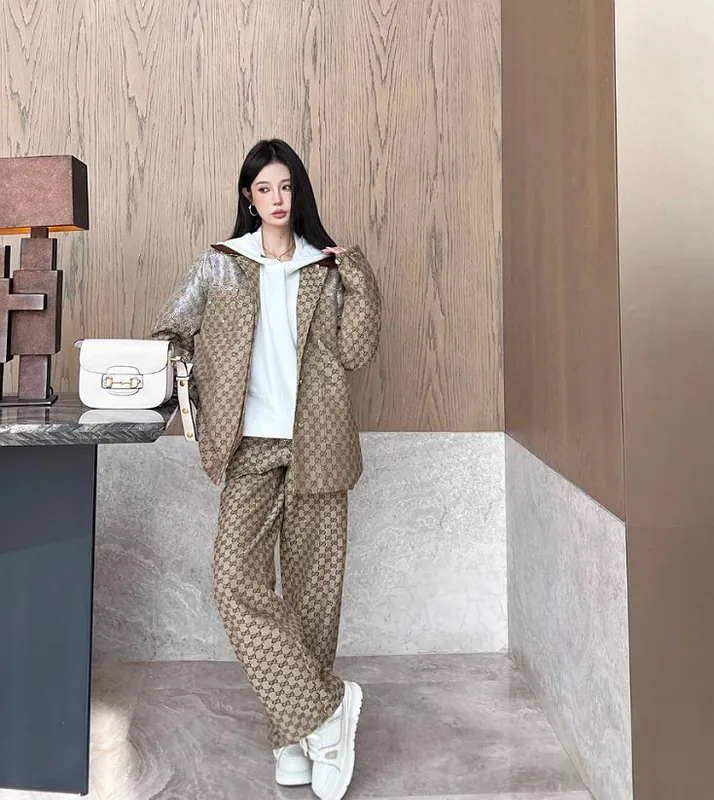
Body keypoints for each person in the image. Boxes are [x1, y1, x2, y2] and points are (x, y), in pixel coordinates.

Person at [150, 139, 381, 800]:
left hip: (319, 446)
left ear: (297, 192)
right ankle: (328, 713)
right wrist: (200, 397)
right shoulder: (222, 265)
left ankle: (293, 738)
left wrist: (359, 275)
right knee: (235, 582)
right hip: (249, 448)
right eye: (264, 188)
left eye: (285, 186)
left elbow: (358, 350)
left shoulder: (327, 268)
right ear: (248, 198)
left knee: (312, 599)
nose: (277, 199)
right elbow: (170, 333)